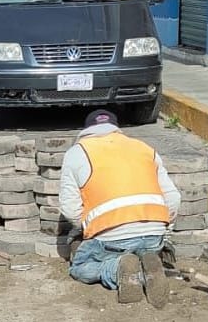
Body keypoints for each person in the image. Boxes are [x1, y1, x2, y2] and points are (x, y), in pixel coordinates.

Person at [60, 109, 179, 306]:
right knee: (144, 249)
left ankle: (117, 270)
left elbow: (70, 209)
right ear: (116, 129)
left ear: (86, 132)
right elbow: (173, 198)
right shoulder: (144, 148)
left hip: (112, 236)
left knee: (80, 267)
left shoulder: (77, 153)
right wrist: (166, 233)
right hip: (154, 233)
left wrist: (85, 229)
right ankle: (148, 265)